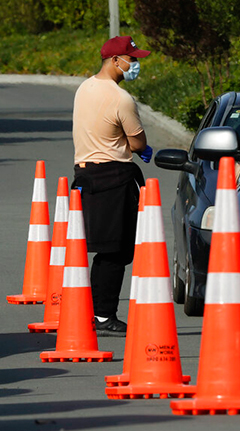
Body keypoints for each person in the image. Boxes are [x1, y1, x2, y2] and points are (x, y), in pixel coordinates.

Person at [71, 36, 153, 336]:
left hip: (86, 174)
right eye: (132, 59)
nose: (135, 64)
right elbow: (137, 141)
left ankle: (97, 311)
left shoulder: (84, 88)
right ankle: (103, 315)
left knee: (104, 249)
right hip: (113, 177)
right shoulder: (121, 99)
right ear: (115, 60)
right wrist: (141, 149)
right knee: (115, 251)